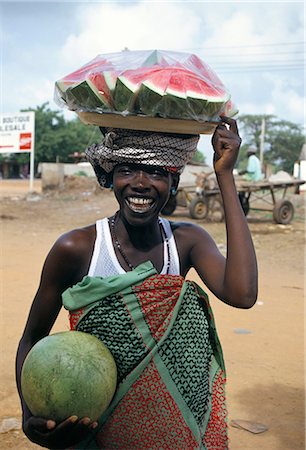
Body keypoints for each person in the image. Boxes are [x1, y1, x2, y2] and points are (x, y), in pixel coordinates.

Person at [16, 116, 258, 450]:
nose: (141, 183)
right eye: (127, 169)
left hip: (167, 428)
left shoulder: (186, 241)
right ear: (110, 177)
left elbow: (243, 294)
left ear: (173, 182)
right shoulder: (77, 248)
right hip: (97, 432)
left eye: (157, 172)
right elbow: (32, 338)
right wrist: (31, 418)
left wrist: (225, 175)